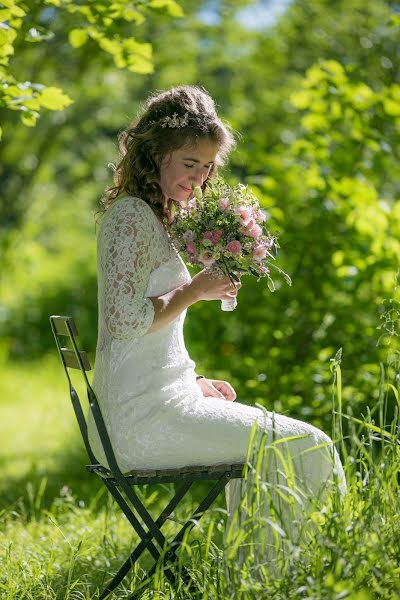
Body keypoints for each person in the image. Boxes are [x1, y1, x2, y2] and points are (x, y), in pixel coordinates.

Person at [87, 84, 346, 568]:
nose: (200, 177)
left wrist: (192, 381)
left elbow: (146, 333)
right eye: (190, 164)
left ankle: (262, 574)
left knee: (291, 447)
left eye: (207, 167)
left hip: (158, 399)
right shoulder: (128, 218)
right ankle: (281, 578)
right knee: (308, 445)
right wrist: (195, 290)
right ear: (156, 153)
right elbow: (124, 323)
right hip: (137, 421)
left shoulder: (153, 217)